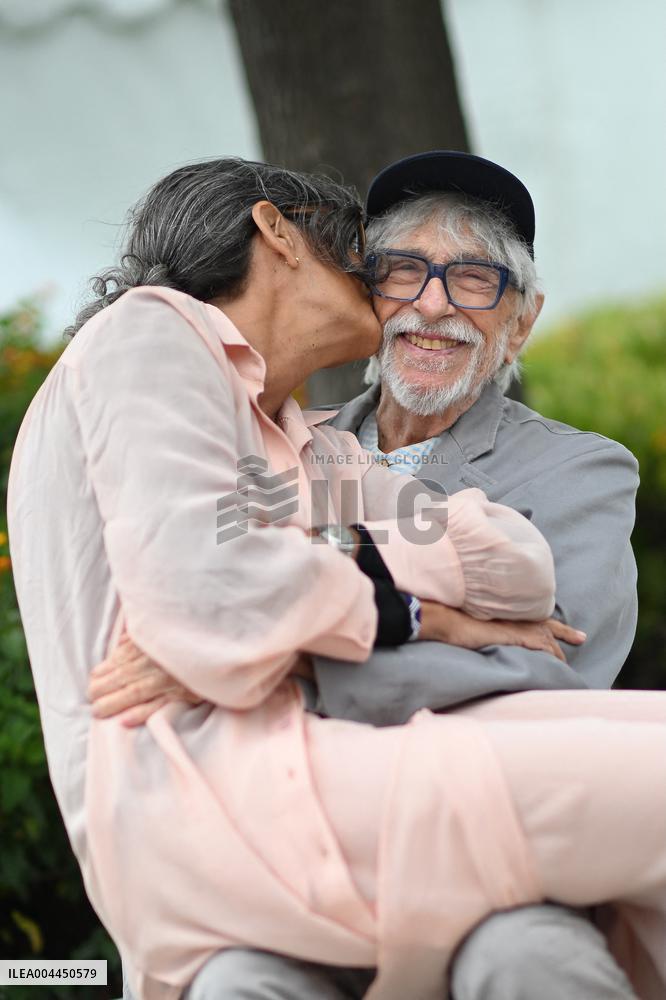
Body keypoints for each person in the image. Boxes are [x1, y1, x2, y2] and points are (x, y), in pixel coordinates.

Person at [9, 158, 666, 1000]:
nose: (431, 305)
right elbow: (213, 597)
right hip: (271, 820)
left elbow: (547, 661)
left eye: (473, 279)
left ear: (522, 321)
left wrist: (279, 649)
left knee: (522, 950)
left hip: (466, 833)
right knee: (236, 980)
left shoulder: (581, 469)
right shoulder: (283, 431)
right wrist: (413, 614)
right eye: (398, 271)